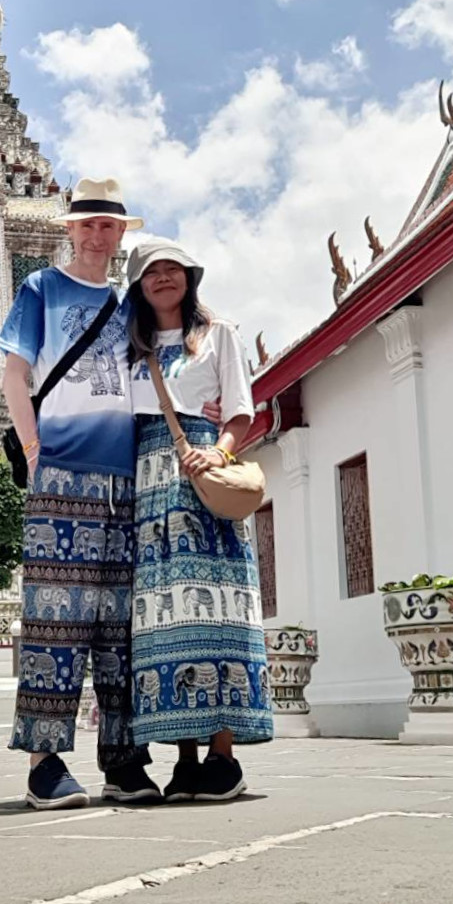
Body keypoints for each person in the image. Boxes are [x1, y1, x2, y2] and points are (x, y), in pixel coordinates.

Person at [0, 178, 162, 809]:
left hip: (125, 479)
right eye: (87, 224)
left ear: (123, 235)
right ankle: (45, 762)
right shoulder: (42, 287)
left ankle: (122, 759)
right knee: (55, 617)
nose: (97, 235)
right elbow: (16, 375)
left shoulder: (131, 304)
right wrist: (35, 449)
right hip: (62, 471)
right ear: (69, 229)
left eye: (109, 226)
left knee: (120, 628)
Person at [127, 238, 272, 801]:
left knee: (218, 609)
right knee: (166, 616)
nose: (163, 279)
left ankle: (223, 754)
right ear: (138, 285)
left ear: (190, 278)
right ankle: (184, 757)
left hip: (199, 474)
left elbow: (240, 409)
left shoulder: (219, 335)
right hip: (148, 485)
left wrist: (219, 451)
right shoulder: (131, 347)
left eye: (173, 270)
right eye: (151, 273)